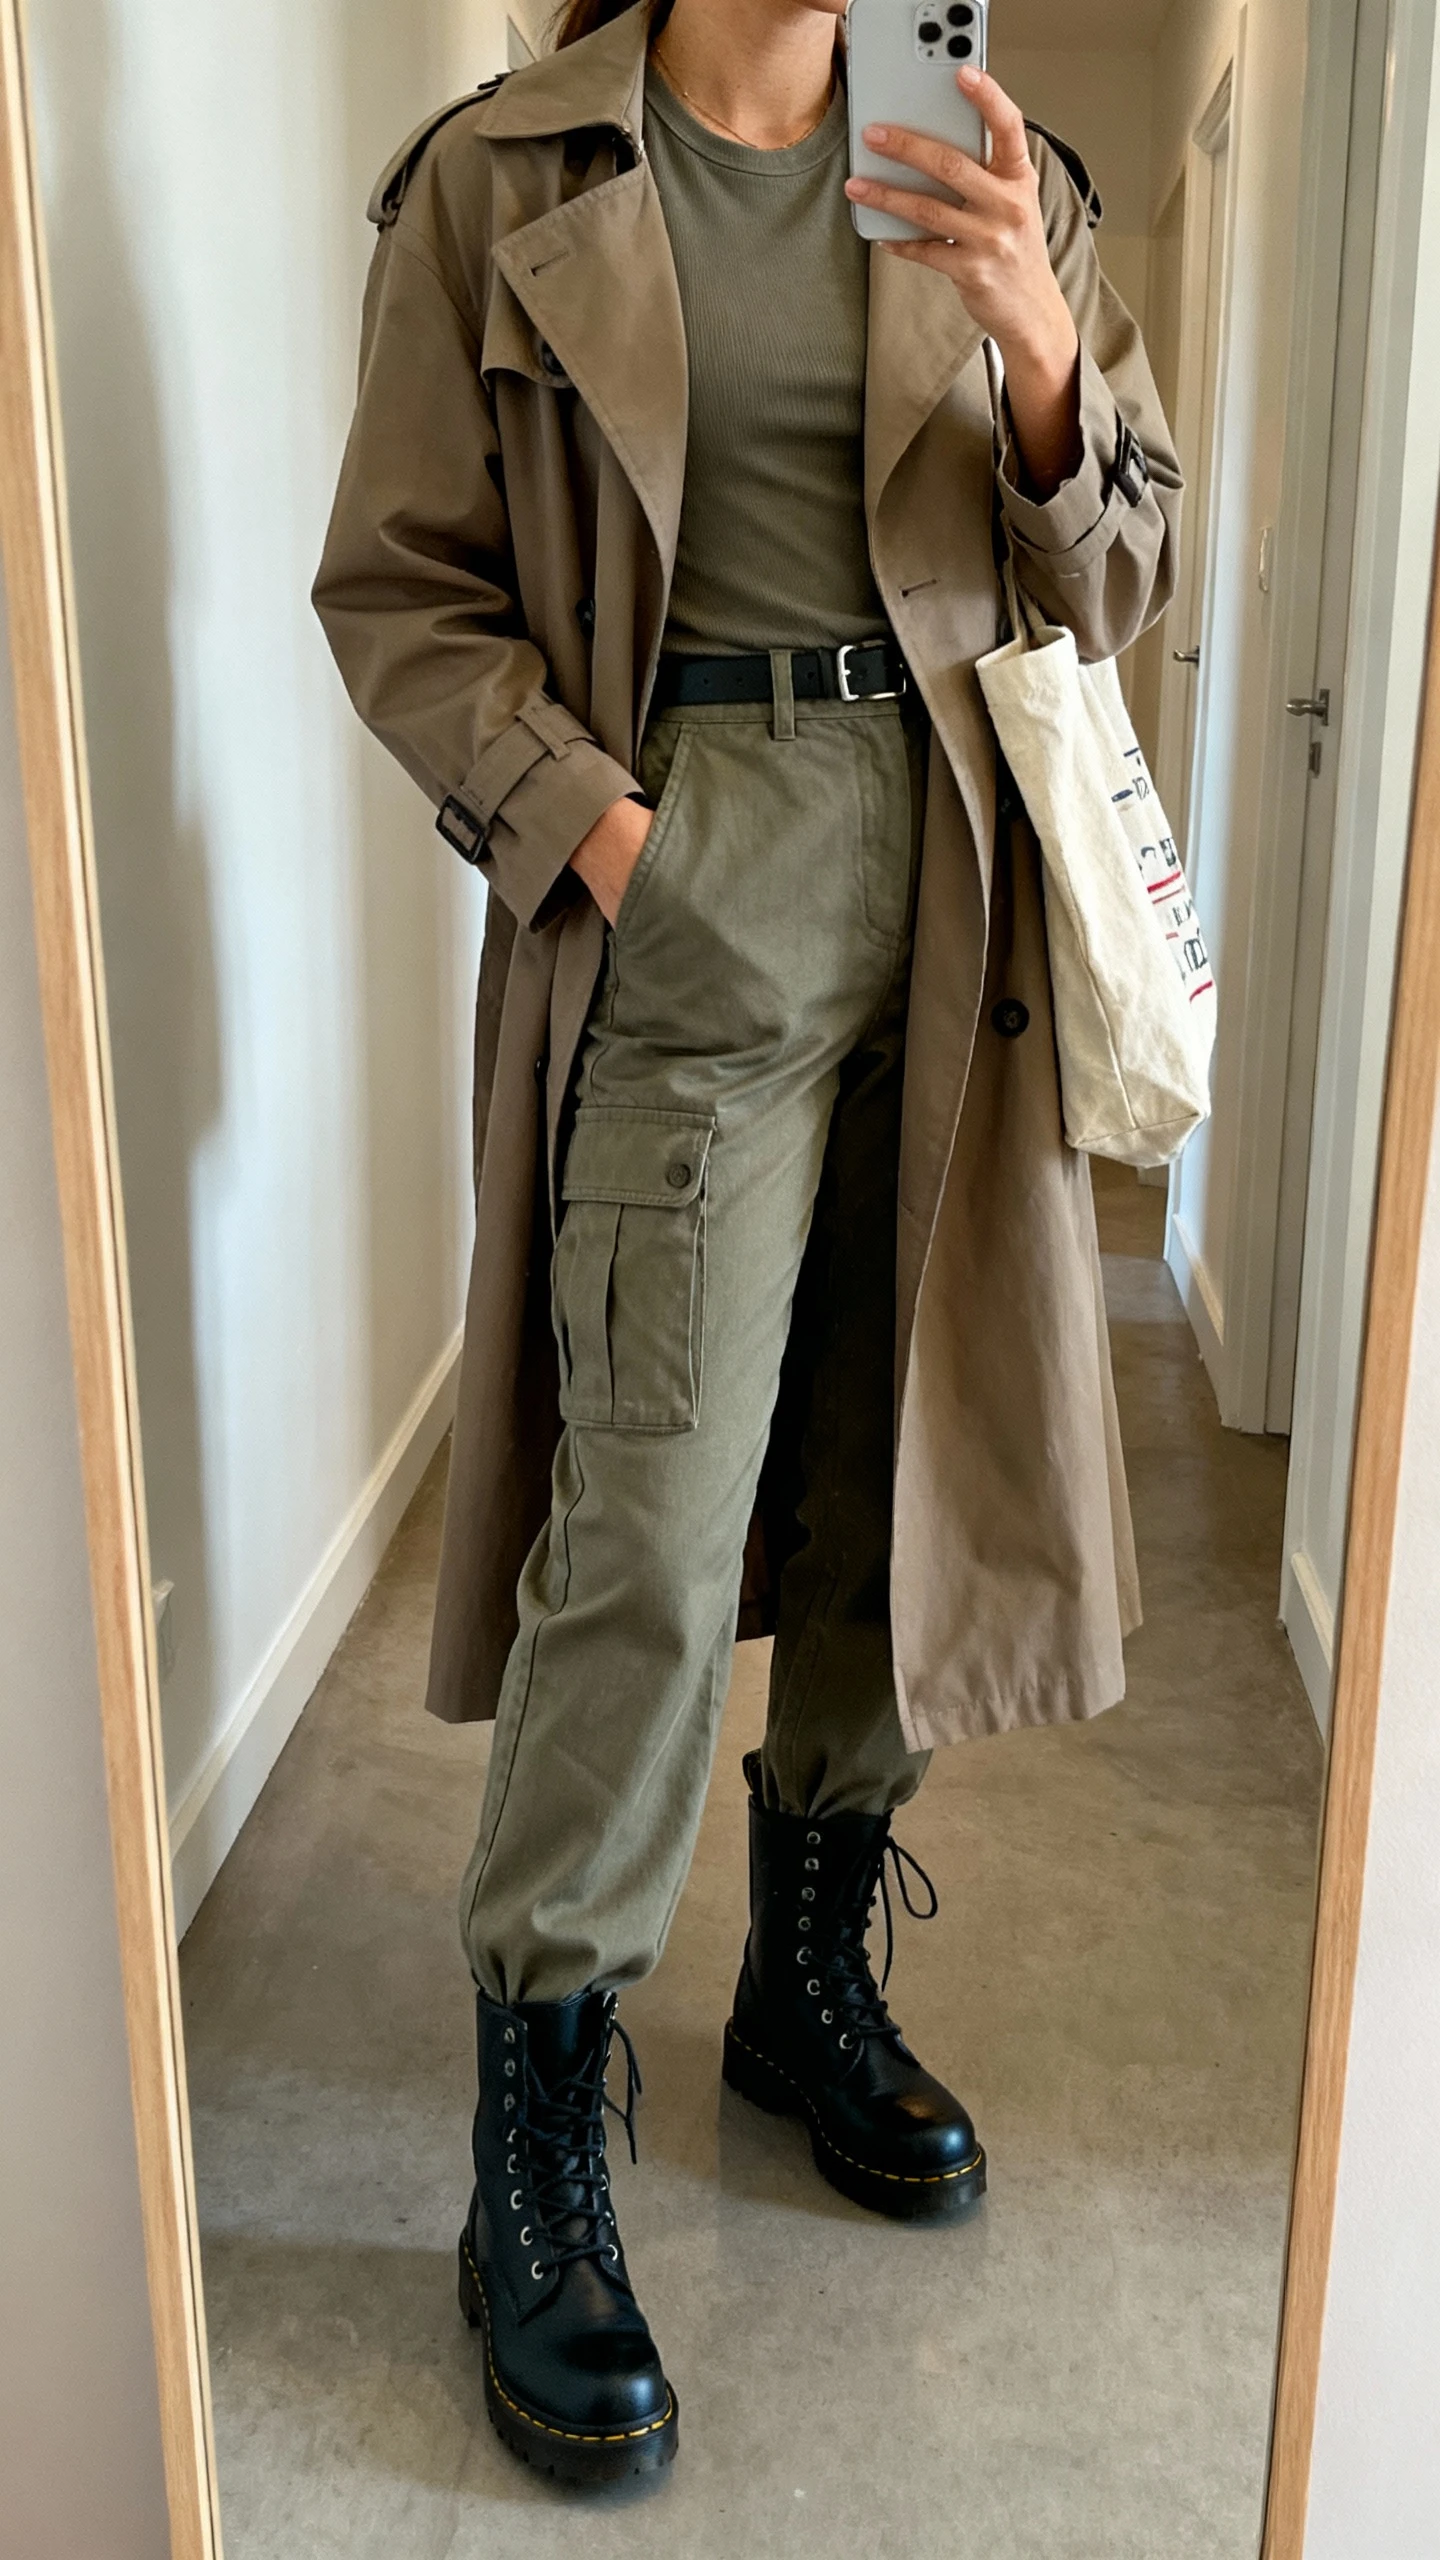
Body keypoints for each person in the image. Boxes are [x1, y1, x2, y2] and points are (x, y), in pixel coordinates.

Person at [314, 0, 1180, 2489]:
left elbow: (1111, 563)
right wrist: (610, 845)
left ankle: (804, 1979)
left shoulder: (995, 165)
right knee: (654, 1554)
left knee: (895, 1481)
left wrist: (1038, 363)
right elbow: (399, 589)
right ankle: (539, 2129)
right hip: (687, 904)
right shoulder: (497, 178)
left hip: (956, 913)